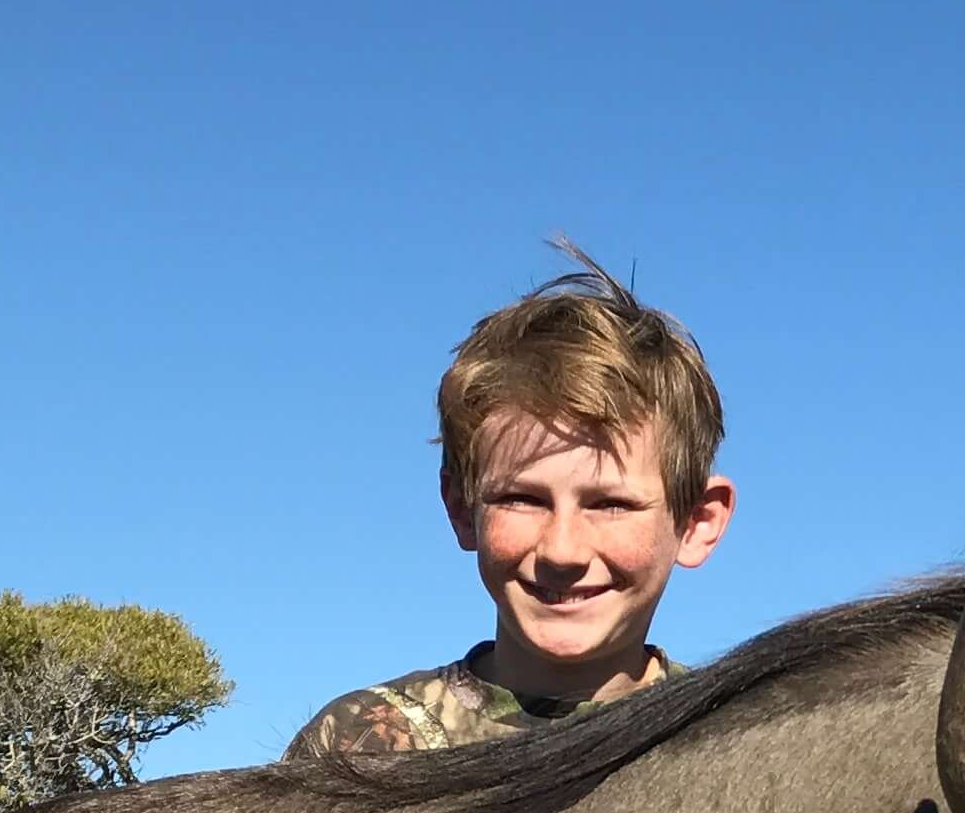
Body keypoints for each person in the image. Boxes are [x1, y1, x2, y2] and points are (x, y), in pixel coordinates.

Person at [286, 252, 736, 761]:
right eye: (522, 499)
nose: (562, 550)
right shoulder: (359, 746)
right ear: (461, 509)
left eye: (610, 504)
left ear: (698, 521)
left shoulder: (740, 748)